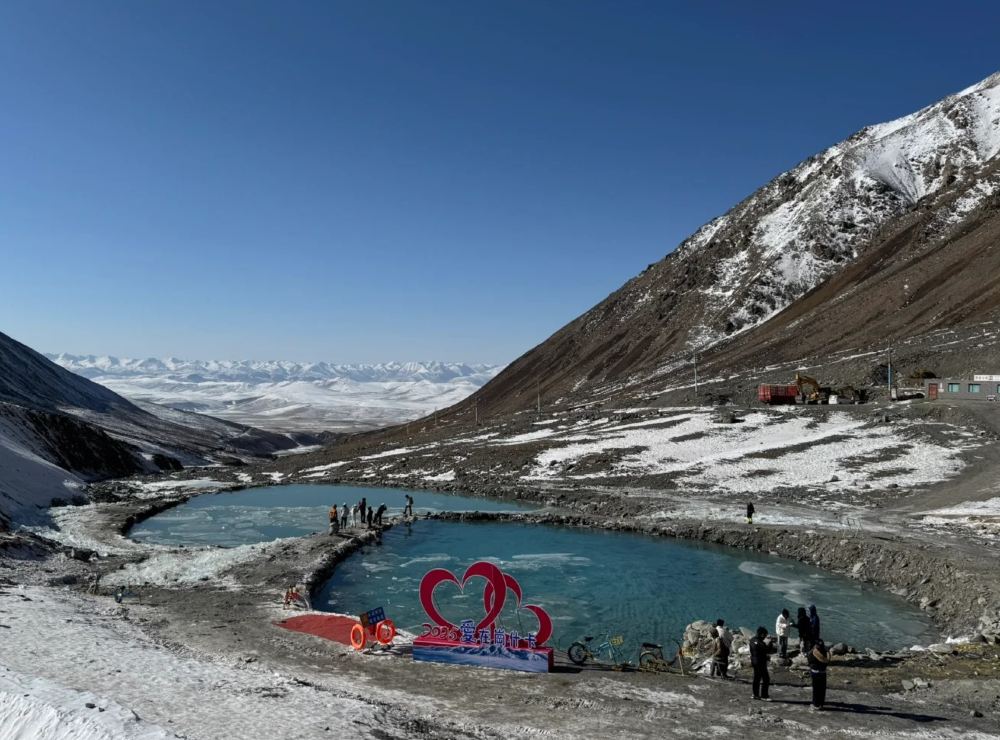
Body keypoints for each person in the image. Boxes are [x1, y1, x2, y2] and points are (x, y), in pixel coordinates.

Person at [749, 626, 771, 700]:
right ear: (762, 634)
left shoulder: (752, 640)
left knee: (756, 678)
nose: (765, 637)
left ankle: (755, 694)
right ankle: (764, 696)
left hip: (754, 661)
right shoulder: (760, 642)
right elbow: (767, 650)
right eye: (765, 635)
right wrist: (770, 642)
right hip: (761, 662)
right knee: (766, 679)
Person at [808, 639, 829, 709]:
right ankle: (821, 704)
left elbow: (810, 660)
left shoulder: (814, 652)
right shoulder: (825, 651)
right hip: (823, 672)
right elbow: (827, 661)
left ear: (816, 645)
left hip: (815, 672)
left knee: (816, 689)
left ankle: (816, 704)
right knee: (822, 689)